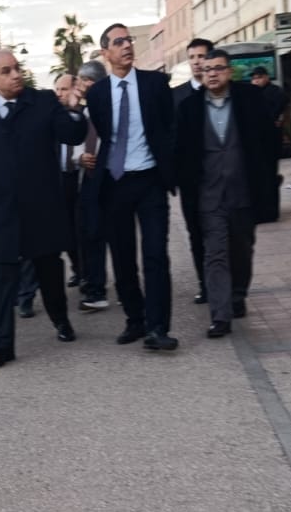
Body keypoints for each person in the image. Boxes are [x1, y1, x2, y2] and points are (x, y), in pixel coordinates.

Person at [0, 49, 88, 370]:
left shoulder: (42, 102)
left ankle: (61, 321)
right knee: (2, 281)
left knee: (49, 273)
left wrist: (74, 108)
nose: (16, 75)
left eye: (17, 68)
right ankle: (2, 346)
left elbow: (72, 134)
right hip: (2, 214)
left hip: (41, 209)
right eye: (7, 71)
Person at [82, 23, 180, 351]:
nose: (127, 45)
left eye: (129, 40)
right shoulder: (97, 94)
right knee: (123, 258)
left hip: (150, 181)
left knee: (156, 255)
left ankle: (158, 328)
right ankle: (135, 320)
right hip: (115, 184)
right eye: (119, 41)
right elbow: (103, 136)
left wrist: (169, 165)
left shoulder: (155, 83)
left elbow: (169, 127)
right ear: (106, 52)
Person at [176, 50, 278, 338]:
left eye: (218, 68)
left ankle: (237, 294)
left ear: (229, 72)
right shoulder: (189, 108)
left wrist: (267, 180)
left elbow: (268, 141)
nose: (212, 73)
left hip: (244, 191)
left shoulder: (249, 99)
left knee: (242, 249)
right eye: (207, 69)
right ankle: (220, 315)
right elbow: (181, 152)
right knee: (215, 253)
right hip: (209, 195)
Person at [15, 72, 89, 319]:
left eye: (64, 89)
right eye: (56, 89)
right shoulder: (44, 113)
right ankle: (26, 296)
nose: (59, 94)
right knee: (34, 247)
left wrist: (74, 110)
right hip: (47, 188)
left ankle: (83, 275)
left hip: (74, 182)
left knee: (74, 235)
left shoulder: (76, 115)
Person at [175, 38, 216, 304]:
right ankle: (205, 284)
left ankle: (226, 284)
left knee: (222, 233)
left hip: (220, 177)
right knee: (196, 233)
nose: (197, 62)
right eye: (192, 57)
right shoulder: (176, 96)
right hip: (190, 180)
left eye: (201, 56)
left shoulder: (222, 92)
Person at [74, 60, 111, 313]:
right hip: (88, 181)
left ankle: (107, 289)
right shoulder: (83, 114)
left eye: (82, 80)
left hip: (109, 179)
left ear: (92, 82)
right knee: (90, 235)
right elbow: (74, 148)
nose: (78, 85)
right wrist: (80, 158)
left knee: (110, 236)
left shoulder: (108, 110)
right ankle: (95, 288)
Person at [249, 66, 288, 226]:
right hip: (257, 143)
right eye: (254, 78)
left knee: (270, 176)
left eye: (259, 77)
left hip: (271, 142)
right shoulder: (252, 93)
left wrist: (271, 120)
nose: (256, 81)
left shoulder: (275, 92)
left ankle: (272, 211)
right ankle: (261, 209)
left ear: (266, 77)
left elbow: (278, 108)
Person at [171, 38, 215, 110]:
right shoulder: (175, 94)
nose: (195, 62)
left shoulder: (221, 89)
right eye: (191, 57)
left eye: (201, 56)